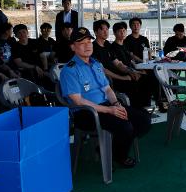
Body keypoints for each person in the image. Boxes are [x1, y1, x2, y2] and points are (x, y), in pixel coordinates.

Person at [60, 27, 151, 168]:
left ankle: (110, 150)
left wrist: (115, 103)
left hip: (107, 105)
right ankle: (119, 156)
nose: (88, 45)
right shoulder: (69, 70)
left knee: (143, 119)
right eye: (82, 43)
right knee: (125, 127)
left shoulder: (95, 64)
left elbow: (107, 88)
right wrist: (109, 111)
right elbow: (77, 101)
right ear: (73, 47)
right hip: (86, 113)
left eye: (89, 41)